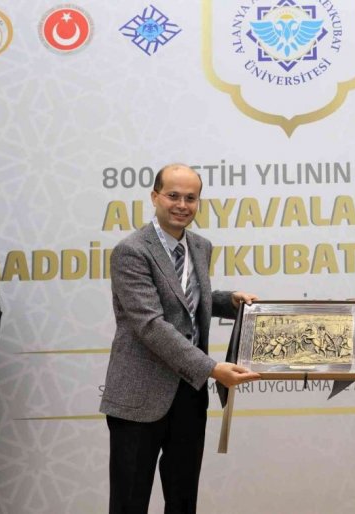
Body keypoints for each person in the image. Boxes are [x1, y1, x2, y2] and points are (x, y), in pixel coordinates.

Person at [99, 163, 260, 514]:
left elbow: (185, 300)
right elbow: (150, 324)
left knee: (183, 501)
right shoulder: (131, 250)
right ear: (155, 197)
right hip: (140, 396)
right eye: (173, 195)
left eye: (191, 198)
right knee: (129, 503)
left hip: (189, 392)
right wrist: (212, 368)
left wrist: (228, 302)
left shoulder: (200, 246)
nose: (182, 205)